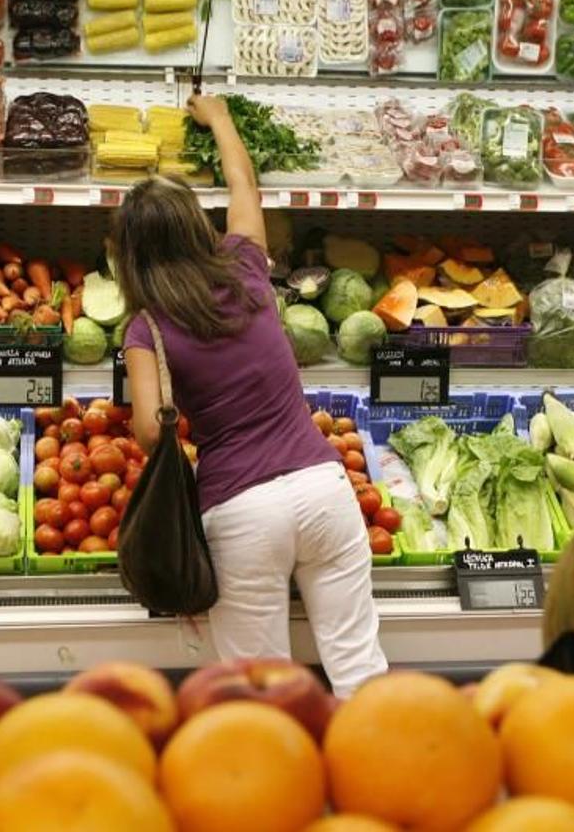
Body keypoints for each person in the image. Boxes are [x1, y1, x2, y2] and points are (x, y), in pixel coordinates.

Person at [109, 94, 388, 697]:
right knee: (360, 669)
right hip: (323, 488)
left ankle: (279, 785)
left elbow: (150, 433)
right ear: (194, 226)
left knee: (264, 691)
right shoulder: (244, 265)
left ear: (130, 255)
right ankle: (378, 773)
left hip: (240, 511)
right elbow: (244, 184)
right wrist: (219, 119)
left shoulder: (146, 327)